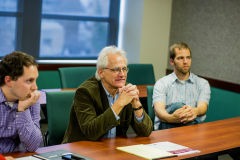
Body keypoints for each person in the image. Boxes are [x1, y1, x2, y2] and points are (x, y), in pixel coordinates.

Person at [62, 46, 153, 143]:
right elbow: (91, 132)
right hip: (81, 149)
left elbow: (146, 132)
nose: (122, 74)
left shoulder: (126, 90)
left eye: (124, 69)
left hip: (112, 148)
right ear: (101, 72)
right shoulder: (85, 92)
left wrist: (136, 104)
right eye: (116, 69)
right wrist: (119, 104)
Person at [153, 42, 211, 130]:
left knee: (182, 110)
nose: (185, 61)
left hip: (194, 128)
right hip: (167, 128)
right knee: (177, 106)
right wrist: (172, 118)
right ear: (172, 61)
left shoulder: (203, 83)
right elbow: (159, 111)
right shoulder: (161, 83)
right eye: (180, 58)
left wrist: (193, 111)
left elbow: (202, 108)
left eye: (188, 58)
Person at [0, 51, 42, 153]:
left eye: (35, 80)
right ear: (8, 80)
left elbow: (33, 146)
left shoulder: (30, 99)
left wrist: (23, 109)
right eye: (29, 81)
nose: (35, 87)